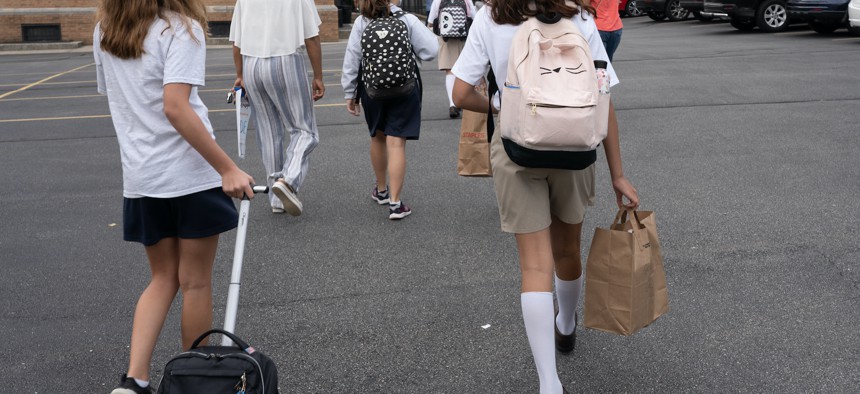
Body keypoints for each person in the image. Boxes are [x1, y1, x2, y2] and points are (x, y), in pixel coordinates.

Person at [450, 0, 639, 393]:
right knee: (567, 251)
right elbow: (604, 96)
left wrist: (503, 103)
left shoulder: (492, 16)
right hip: (575, 147)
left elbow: (460, 92)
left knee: (534, 267)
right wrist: (618, 174)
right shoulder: (579, 16)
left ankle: (549, 383)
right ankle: (566, 325)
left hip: (517, 147)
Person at [94, 0, 256, 393]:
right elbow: (176, 107)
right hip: (188, 175)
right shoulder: (179, 28)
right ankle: (194, 379)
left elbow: (120, 97)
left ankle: (134, 380)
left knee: (162, 278)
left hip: (142, 176)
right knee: (195, 282)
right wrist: (227, 168)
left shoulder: (105, 31)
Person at [341, 0, 439, 220]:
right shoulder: (407, 19)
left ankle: (382, 190)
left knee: (377, 137)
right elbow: (432, 50)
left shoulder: (361, 23)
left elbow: (352, 60)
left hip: (372, 89)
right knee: (396, 142)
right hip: (404, 88)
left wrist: (350, 93)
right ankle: (396, 204)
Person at [229, 0, 325, 216]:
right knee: (304, 130)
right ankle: (288, 180)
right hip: (286, 60)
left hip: (251, 64)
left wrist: (240, 74)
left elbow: (236, 41)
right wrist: (318, 75)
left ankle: (277, 199)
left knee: (269, 133)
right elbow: (311, 37)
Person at [427, 0, 477, 118]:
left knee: (450, 70)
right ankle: (464, 100)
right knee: (464, 72)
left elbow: (431, 22)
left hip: (446, 39)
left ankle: (452, 104)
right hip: (463, 38)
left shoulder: (438, 1)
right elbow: (474, 19)